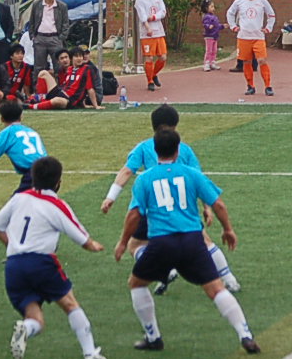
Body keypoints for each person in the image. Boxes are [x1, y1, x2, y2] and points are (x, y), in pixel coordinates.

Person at [114, 129, 259, 354]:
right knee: (216, 289)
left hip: (161, 243)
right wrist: (228, 229)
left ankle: (153, 337)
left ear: (155, 150)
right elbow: (218, 204)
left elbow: (134, 214)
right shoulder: (191, 174)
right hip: (193, 241)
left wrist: (123, 242)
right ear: (178, 149)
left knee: (136, 283)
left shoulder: (145, 178)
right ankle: (245, 334)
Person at [100, 103, 240, 293]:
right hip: (183, 207)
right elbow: (201, 181)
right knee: (204, 241)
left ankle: (165, 271)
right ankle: (228, 278)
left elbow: (126, 171)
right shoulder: (184, 149)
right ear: (175, 125)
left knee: (136, 245)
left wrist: (111, 197)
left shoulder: (143, 147)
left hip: (154, 210)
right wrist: (206, 208)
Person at [0, 156, 106, 359]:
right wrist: (95, 246)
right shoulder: (56, 205)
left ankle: (26, 328)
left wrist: (12, 247)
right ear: (58, 182)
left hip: (14, 267)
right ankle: (90, 353)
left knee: (36, 319)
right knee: (70, 304)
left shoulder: (19, 198)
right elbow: (82, 239)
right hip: (41, 263)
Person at [226, 0, 276, 96]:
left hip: (258, 36)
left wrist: (268, 27)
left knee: (262, 60)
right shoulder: (240, 2)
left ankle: (268, 86)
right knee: (246, 61)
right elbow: (230, 13)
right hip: (244, 37)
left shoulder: (262, 1)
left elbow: (271, 14)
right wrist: (233, 26)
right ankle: (250, 86)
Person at [0, 99, 47, 193]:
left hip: (34, 173)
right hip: (50, 169)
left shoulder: (6, 133)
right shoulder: (31, 131)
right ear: (21, 116)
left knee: (16, 204)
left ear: (2, 119)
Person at [28, 47, 100, 109]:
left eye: (80, 56)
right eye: (76, 56)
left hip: (69, 100)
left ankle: (31, 106)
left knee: (57, 100)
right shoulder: (69, 69)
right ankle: (41, 98)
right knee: (43, 73)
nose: (79, 58)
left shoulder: (86, 69)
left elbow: (88, 89)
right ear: (71, 58)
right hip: (60, 92)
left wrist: (95, 105)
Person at [26, 0, 69, 79]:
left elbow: (66, 23)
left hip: (55, 37)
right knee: (39, 67)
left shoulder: (61, 6)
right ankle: (39, 89)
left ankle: (60, 87)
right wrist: (33, 36)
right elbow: (32, 21)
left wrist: (61, 37)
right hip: (40, 38)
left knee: (58, 65)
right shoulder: (37, 5)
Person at [229, 0, 265, 73]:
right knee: (252, 39)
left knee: (244, 39)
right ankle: (252, 63)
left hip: (248, 15)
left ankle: (242, 63)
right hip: (253, 15)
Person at [134, 0, 168, 90]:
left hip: (159, 31)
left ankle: (153, 74)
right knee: (149, 58)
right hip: (147, 34)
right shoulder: (140, 0)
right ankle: (150, 81)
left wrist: (153, 17)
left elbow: (163, 12)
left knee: (163, 57)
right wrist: (148, 28)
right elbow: (143, 16)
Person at [200, 0, 221, 71]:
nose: (213, 8)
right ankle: (206, 63)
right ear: (206, 8)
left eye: (213, 7)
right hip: (209, 36)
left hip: (215, 36)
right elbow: (205, 24)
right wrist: (208, 26)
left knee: (214, 50)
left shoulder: (214, 17)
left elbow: (217, 25)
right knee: (209, 50)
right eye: (211, 7)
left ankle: (212, 62)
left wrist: (222, 26)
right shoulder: (206, 16)